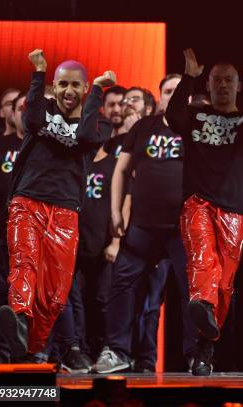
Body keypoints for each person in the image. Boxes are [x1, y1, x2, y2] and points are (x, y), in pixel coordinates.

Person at [0, 49, 115, 361]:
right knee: (24, 263)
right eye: (62, 85)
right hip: (27, 201)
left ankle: (32, 346)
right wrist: (38, 73)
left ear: (85, 89)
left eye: (76, 85)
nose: (68, 91)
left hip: (65, 210)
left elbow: (86, 133)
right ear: (54, 87)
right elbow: (31, 118)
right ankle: (19, 314)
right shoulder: (42, 110)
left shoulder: (99, 124)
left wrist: (99, 89)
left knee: (55, 293)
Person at [166, 49, 243, 375]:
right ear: (208, 84)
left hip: (235, 209)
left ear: (237, 86)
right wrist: (189, 77)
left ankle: (205, 345)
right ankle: (202, 311)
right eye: (217, 80)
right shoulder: (195, 116)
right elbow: (173, 118)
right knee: (202, 260)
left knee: (224, 284)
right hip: (198, 202)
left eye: (230, 80)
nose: (223, 85)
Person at [92, 74, 193, 374]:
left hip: (182, 228)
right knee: (121, 286)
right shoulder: (143, 127)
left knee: (192, 293)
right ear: (159, 96)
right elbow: (121, 170)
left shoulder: (196, 128)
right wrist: (115, 212)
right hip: (142, 227)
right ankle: (117, 351)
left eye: (178, 91)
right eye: (167, 92)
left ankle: (194, 356)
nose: (172, 97)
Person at [0, 92, 25, 362]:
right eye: (18, 108)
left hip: (36, 235)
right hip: (1, 234)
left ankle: (38, 352)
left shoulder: (47, 145)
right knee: (0, 294)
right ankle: (1, 351)